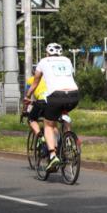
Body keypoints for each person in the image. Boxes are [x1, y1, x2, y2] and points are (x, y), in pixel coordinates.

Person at [25, 43, 79, 172]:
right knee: (65, 114)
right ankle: (68, 142)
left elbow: (35, 83)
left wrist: (27, 96)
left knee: (49, 124)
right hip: (74, 95)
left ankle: (53, 155)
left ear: (47, 53)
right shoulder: (67, 60)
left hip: (55, 96)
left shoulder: (43, 62)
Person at [24, 69, 49, 146]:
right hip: (53, 101)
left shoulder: (30, 80)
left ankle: (40, 137)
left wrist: (24, 109)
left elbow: (27, 97)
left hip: (41, 101)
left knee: (31, 119)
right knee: (51, 124)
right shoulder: (47, 79)